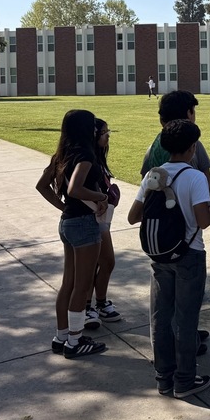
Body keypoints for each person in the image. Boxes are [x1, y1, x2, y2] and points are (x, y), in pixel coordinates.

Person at [127, 119, 210, 398]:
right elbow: (203, 221)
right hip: (189, 253)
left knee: (160, 316)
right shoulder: (194, 177)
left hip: (159, 255)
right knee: (185, 318)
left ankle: (163, 377)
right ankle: (184, 378)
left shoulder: (153, 176)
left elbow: (133, 216)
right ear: (192, 148)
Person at [141, 90, 210, 351]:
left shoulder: (155, 143)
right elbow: (204, 179)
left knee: (165, 299)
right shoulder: (192, 143)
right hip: (188, 232)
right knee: (187, 300)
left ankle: (177, 339)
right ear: (188, 113)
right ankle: (186, 342)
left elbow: (147, 181)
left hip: (160, 234)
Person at [35, 109, 108, 359]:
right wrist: (101, 196)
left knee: (68, 282)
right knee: (82, 285)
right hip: (83, 225)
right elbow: (76, 188)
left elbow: (42, 186)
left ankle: (62, 336)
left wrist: (63, 207)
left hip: (67, 222)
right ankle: (75, 342)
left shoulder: (62, 154)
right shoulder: (85, 155)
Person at [87, 117, 121, 326]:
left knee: (106, 262)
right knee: (99, 263)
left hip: (104, 218)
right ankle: (87, 306)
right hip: (93, 219)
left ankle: (99, 302)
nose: (108, 135)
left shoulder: (98, 157)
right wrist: (101, 197)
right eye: (104, 132)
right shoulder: (87, 160)